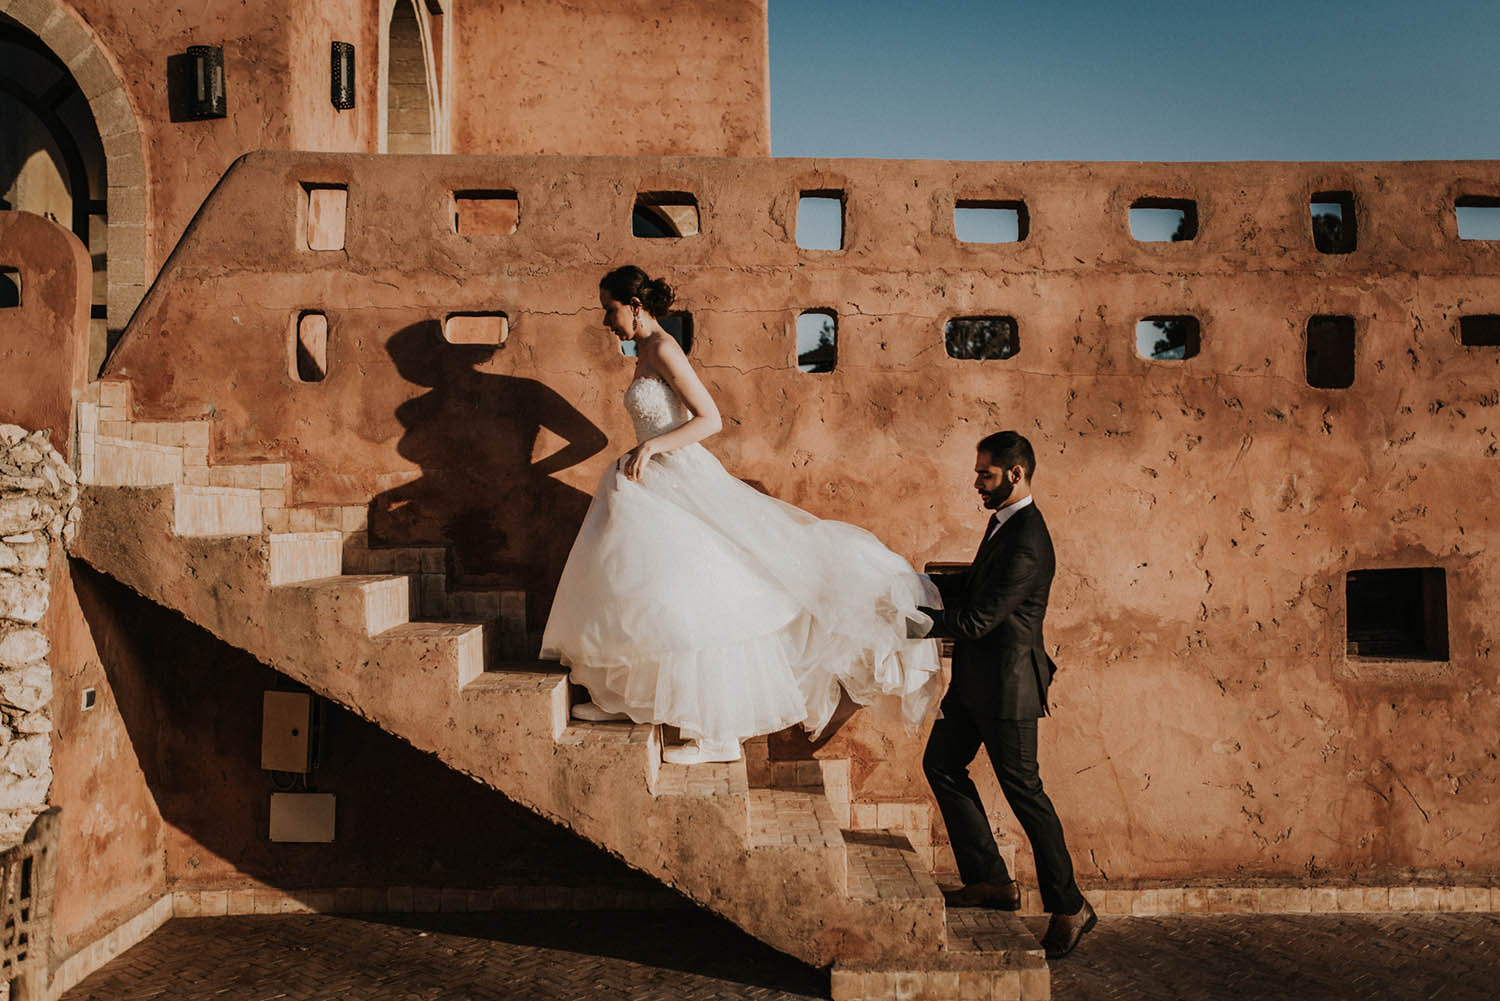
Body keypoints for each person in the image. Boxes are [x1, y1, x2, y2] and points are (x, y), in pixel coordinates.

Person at [540, 265, 941, 766]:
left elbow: (710, 418)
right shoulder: (641, 352)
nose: (606, 320)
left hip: (683, 478)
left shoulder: (664, 347)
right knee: (646, 592)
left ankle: (718, 735)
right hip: (654, 482)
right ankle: (626, 699)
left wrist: (653, 448)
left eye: (610, 309)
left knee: (707, 597)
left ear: (635, 306)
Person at [910, 431, 1096, 960]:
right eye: (978, 473)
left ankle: (1070, 907)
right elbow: (978, 586)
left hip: (1009, 689)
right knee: (942, 765)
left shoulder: (1029, 540)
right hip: (975, 684)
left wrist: (910, 620)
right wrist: (914, 585)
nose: (977, 483)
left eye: (985, 474)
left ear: (1016, 474)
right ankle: (991, 881)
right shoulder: (1003, 523)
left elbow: (977, 619)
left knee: (1025, 795)